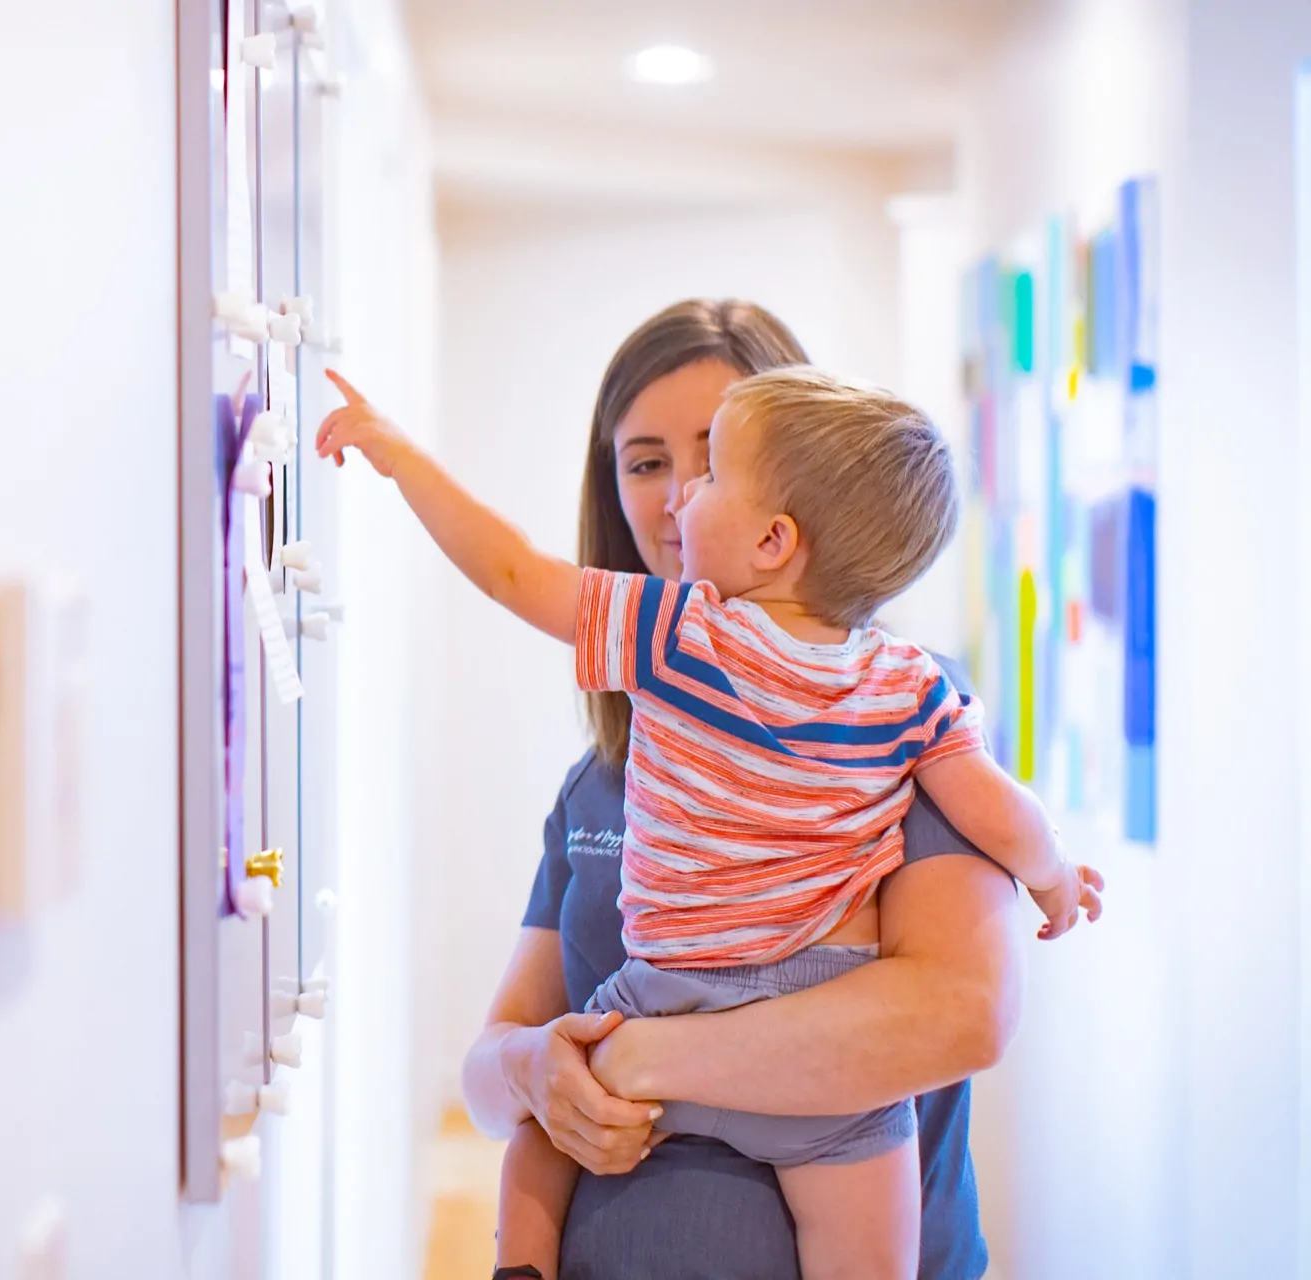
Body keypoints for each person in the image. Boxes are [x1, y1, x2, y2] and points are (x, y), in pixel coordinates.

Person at [317, 359, 1104, 1279]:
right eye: (649, 463)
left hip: (667, 986)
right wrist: (1054, 877)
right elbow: (1000, 811)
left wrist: (405, 459)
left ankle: (517, 1267)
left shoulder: (675, 635)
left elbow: (509, 571)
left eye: (711, 471)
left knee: (545, 1144)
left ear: (772, 539)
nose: (680, 496)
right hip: (820, 1023)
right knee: (863, 1222)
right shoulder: (904, 688)